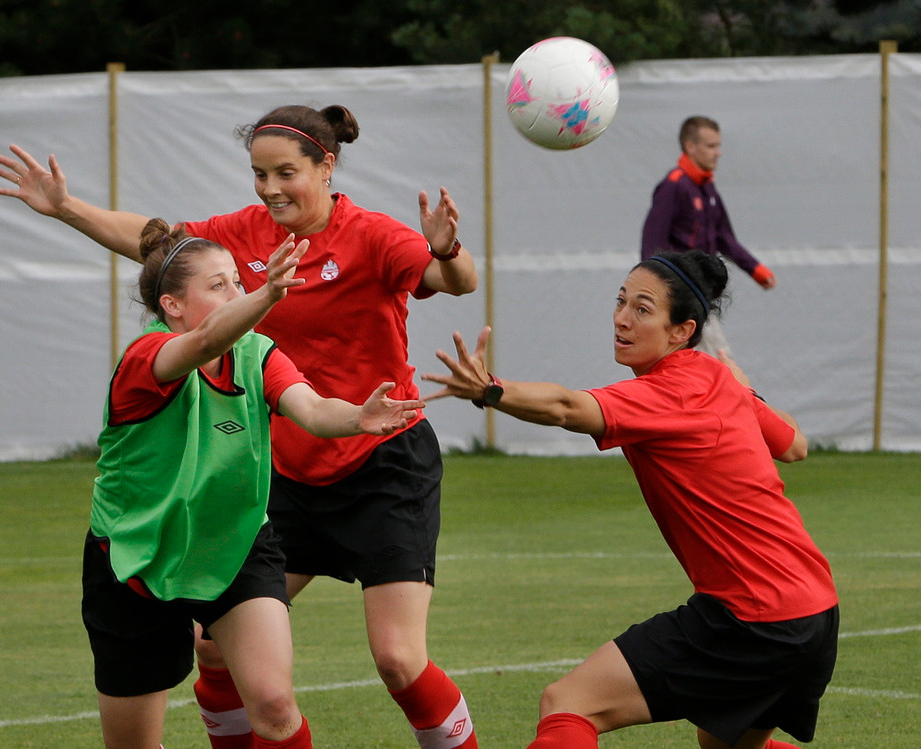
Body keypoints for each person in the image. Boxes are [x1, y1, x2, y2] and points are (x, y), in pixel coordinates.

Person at [0, 104, 481, 749]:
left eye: (285, 173)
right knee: (214, 649)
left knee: (397, 659)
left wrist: (446, 248)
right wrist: (66, 208)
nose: (270, 189)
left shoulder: (372, 236)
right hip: (285, 472)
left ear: (326, 166)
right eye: (258, 173)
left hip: (380, 458)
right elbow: (158, 246)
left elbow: (455, 280)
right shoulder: (237, 248)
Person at [421, 250, 839, 749]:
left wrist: (490, 390)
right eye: (621, 301)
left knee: (568, 703)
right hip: (815, 609)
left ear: (681, 330)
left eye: (643, 309)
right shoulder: (715, 377)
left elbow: (566, 407)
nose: (621, 317)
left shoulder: (671, 392)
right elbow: (794, 444)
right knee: (722, 745)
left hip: (753, 616)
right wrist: (749, 391)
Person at [83, 220, 425, 749]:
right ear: (172, 305)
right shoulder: (146, 359)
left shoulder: (256, 351)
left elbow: (309, 409)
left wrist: (357, 417)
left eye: (239, 282)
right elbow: (201, 342)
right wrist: (268, 294)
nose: (237, 293)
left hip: (234, 542)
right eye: (218, 286)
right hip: (135, 554)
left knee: (274, 706)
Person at [641, 116, 777, 356]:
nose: (718, 153)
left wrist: (757, 270)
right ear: (691, 147)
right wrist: (659, 293)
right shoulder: (674, 186)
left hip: (702, 295)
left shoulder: (707, 187)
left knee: (706, 364)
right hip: (682, 298)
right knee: (720, 361)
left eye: (718, 146)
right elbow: (651, 246)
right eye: (712, 146)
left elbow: (725, 237)